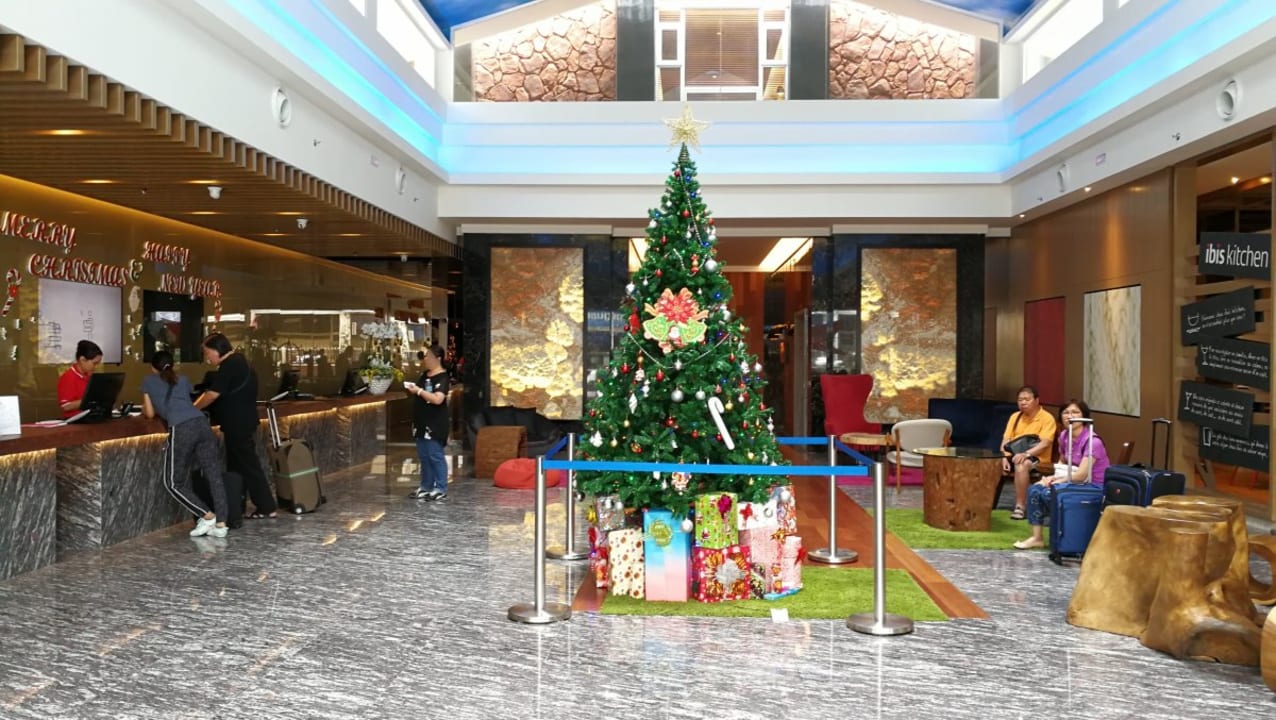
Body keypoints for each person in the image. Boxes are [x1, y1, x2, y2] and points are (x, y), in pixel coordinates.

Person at [141, 351, 229, 538]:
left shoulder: (148, 381)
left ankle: (207, 516)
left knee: (173, 482)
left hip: (182, 428)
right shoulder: (182, 379)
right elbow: (186, 402)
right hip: (202, 424)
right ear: (172, 365)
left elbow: (149, 414)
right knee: (214, 475)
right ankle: (221, 525)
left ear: (152, 367)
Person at [194, 333, 278, 519]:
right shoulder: (241, 362)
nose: (208, 358)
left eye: (208, 353)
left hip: (237, 423)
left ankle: (266, 506)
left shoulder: (230, 365)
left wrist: (192, 409)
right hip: (243, 421)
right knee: (236, 467)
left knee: (247, 465)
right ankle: (235, 507)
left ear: (217, 350)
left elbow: (213, 394)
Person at [1014, 399, 1110, 549]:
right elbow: (1062, 463)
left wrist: (1056, 482)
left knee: (1049, 493)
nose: (1070, 416)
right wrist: (1052, 478)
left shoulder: (1093, 441)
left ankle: (1064, 535)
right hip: (1072, 481)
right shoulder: (1065, 436)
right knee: (1035, 489)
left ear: (1084, 416)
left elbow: (1081, 475)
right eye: (1066, 412)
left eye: (1075, 412)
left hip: (1093, 486)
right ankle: (1037, 538)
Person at [1002, 385, 1057, 520]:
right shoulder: (1015, 417)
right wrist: (1004, 457)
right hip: (1013, 454)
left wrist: (1026, 454)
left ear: (1036, 400)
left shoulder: (1047, 418)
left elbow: (1045, 443)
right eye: (1020, 400)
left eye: (1027, 399)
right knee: (987, 463)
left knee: (1021, 464)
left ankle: (1020, 506)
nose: (1023, 402)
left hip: (1037, 457)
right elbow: (1006, 440)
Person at [406, 344, 451, 500]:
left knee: (435, 455)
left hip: (434, 423)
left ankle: (441, 488)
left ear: (438, 358)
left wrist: (419, 391)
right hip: (421, 421)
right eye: (425, 357)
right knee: (424, 457)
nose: (426, 360)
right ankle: (426, 486)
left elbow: (438, 399)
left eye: (429, 356)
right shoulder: (425, 375)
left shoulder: (443, 377)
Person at [57, 340, 103, 418]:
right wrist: (91, 401)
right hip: (76, 420)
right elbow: (66, 406)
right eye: (94, 363)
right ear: (82, 360)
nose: (96, 367)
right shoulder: (68, 377)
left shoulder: (89, 376)